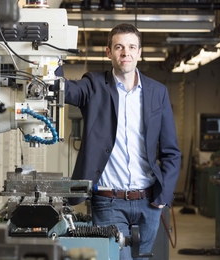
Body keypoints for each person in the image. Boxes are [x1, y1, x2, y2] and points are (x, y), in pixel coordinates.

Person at [57, 23, 181, 259]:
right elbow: (64, 91)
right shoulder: (93, 85)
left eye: (132, 47)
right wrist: (52, 57)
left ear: (140, 52)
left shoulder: (157, 92)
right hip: (108, 202)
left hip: (148, 201)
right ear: (108, 52)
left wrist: (163, 196)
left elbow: (171, 151)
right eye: (119, 47)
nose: (126, 53)